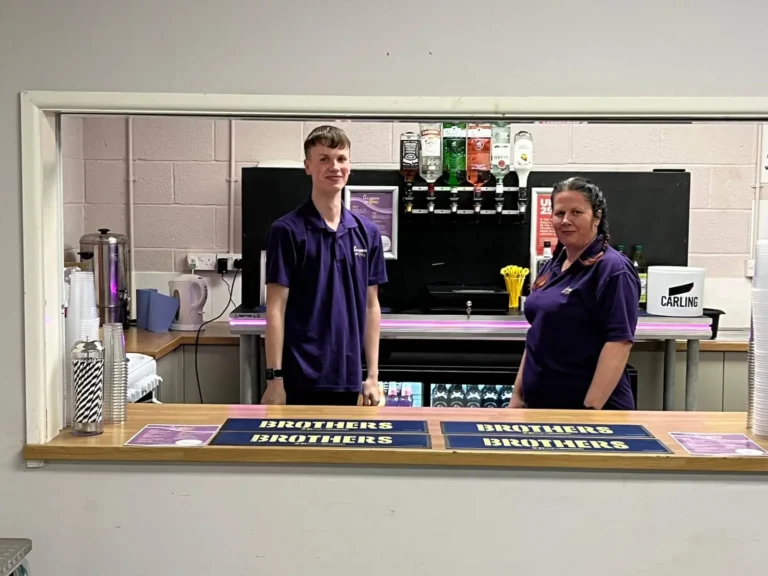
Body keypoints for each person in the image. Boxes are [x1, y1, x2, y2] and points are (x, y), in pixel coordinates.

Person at [261, 125, 387, 406]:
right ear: (307, 166)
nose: (335, 166)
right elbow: (275, 308)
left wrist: (373, 377)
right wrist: (275, 379)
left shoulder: (366, 232)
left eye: (341, 159)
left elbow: (371, 306)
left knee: (343, 450)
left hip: (349, 377)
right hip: (298, 378)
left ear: (350, 165)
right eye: (324, 159)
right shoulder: (287, 231)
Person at [510, 177, 641, 410]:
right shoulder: (555, 264)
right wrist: (518, 397)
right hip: (542, 406)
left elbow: (619, 343)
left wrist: (590, 409)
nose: (566, 220)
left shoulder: (613, 269)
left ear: (597, 218)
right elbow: (537, 335)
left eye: (576, 212)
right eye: (559, 213)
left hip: (588, 413)